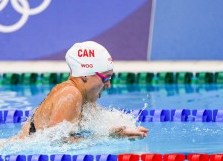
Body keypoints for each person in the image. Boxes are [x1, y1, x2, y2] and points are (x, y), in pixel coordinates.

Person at [18, 41, 148, 140]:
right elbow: (56, 142)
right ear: (85, 75)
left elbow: (99, 127)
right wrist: (107, 138)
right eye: (106, 78)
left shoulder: (84, 99)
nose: (108, 85)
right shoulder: (71, 95)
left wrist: (121, 132)